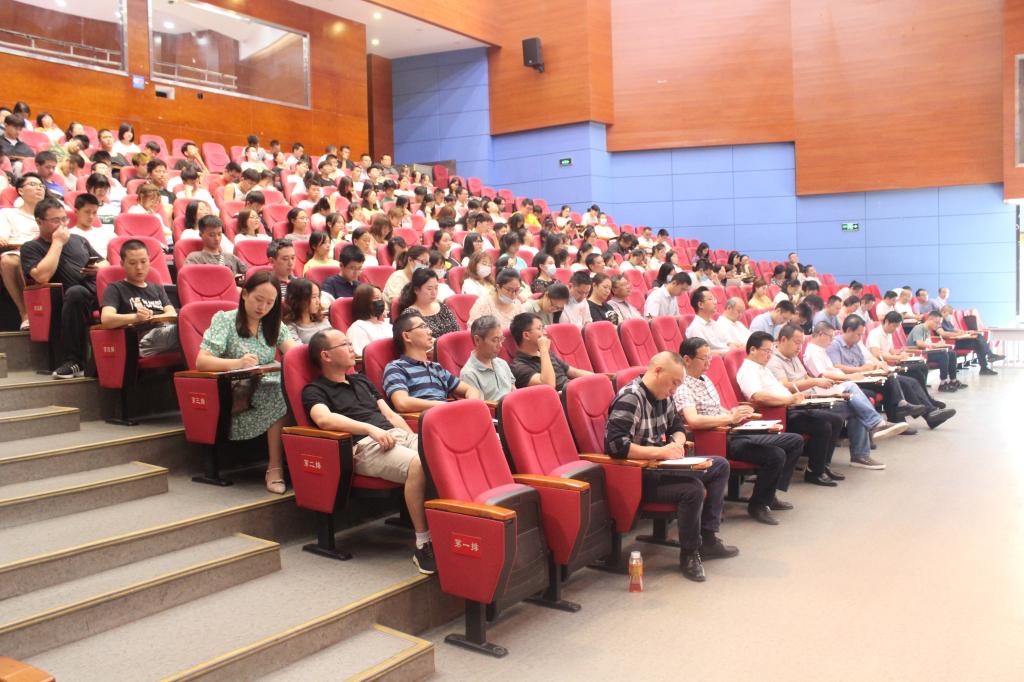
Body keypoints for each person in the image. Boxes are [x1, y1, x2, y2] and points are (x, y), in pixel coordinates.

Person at [304, 328, 435, 572]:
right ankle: (423, 543)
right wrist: (369, 429)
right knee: (419, 463)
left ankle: (449, 527)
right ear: (326, 355)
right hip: (364, 446)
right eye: (344, 344)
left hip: (395, 436)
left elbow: (390, 415)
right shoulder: (315, 390)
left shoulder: (362, 380)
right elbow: (324, 419)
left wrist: (412, 437)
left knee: (439, 454)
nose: (351, 348)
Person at [606, 351, 737, 581]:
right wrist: (660, 452)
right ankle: (689, 553)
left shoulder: (663, 395)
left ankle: (708, 539)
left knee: (719, 465)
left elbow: (677, 426)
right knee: (693, 489)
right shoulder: (630, 398)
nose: (675, 389)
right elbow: (616, 446)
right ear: (658, 371)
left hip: (662, 465)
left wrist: (677, 443)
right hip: (640, 475)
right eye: (674, 382)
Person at [676, 337, 803, 525]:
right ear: (687, 359)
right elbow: (693, 420)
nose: (709, 364)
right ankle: (759, 504)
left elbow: (715, 408)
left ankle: (769, 494)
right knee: (775, 455)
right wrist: (729, 419)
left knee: (794, 441)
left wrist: (733, 412)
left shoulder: (705, 379)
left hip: (733, 429)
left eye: (710, 358)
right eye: (704, 359)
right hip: (718, 438)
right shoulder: (682, 386)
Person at [196, 270, 295, 493]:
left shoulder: (274, 325)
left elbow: (294, 355)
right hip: (237, 393)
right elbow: (202, 361)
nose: (263, 307)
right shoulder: (225, 320)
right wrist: (238, 363)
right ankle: (275, 468)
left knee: (296, 389)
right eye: (259, 299)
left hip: (267, 384)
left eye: (269, 302)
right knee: (279, 392)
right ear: (244, 294)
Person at [771, 324, 908, 471]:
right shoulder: (774, 360)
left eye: (801, 343)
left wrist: (827, 389)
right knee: (856, 407)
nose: (799, 347)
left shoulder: (793, 357)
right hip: (800, 404)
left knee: (855, 402)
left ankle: (867, 440)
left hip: (814, 396)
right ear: (783, 339)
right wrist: (815, 382)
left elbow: (806, 377)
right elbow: (785, 386)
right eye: (797, 343)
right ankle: (862, 448)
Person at [736, 332, 844, 486]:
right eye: (766, 351)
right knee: (822, 426)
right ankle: (815, 472)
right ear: (753, 349)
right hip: (777, 413)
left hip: (790, 407)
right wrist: (788, 400)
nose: (769, 355)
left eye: (771, 351)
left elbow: (779, 389)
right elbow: (757, 397)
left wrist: (797, 398)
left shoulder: (762, 368)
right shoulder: (748, 371)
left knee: (836, 419)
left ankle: (823, 466)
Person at [20, 198, 108, 378]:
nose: (62, 224)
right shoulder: (31, 247)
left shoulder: (79, 239)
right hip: (67, 299)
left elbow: (105, 263)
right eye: (55, 220)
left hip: (96, 291)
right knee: (76, 293)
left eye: (64, 219)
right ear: (39, 222)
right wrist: (57, 243)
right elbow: (42, 276)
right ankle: (74, 361)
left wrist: (99, 268)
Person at [383, 312, 480, 411]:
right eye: (422, 327)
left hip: (447, 413)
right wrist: (444, 406)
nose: (430, 331)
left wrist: (470, 405)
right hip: (425, 418)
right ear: (407, 336)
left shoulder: (436, 368)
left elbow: (471, 390)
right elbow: (402, 403)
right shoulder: (396, 368)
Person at [99, 239, 179, 356]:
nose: (139, 267)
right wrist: (136, 317)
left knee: (194, 328)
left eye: (143, 261)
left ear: (149, 261)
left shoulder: (157, 288)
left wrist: (152, 317)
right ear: (122, 264)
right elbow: (106, 319)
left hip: (166, 330)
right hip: (144, 339)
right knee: (188, 330)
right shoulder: (115, 288)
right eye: (132, 263)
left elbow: (171, 312)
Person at [1, 173, 45, 329]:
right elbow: (4, 238)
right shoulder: (8, 214)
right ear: (20, 191)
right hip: (19, 252)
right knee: (8, 261)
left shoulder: (50, 214)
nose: (39, 188)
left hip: (46, 253)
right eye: (33, 185)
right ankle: (25, 313)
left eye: (41, 186)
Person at [509, 312, 592, 391]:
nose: (545, 332)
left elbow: (573, 371)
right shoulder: (518, 366)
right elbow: (549, 385)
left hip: (572, 390)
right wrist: (544, 350)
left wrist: (597, 378)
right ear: (526, 335)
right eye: (539, 328)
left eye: (543, 328)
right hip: (558, 397)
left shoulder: (546, 353)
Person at [460, 315, 516, 401]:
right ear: (477, 340)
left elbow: (513, 389)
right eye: (495, 340)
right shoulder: (469, 374)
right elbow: (479, 406)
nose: (500, 345)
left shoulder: (502, 363)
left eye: (501, 339)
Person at [936, 304, 1002, 375]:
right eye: (950, 314)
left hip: (958, 339)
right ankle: (986, 363)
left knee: (978, 336)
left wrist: (965, 332)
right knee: (978, 343)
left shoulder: (946, 321)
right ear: (943, 312)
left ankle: (987, 360)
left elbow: (953, 329)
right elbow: (943, 334)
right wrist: (957, 334)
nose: (951, 316)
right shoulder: (937, 321)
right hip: (952, 342)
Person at [397, 268, 460, 339]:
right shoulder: (410, 314)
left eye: (436, 288)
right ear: (416, 290)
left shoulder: (442, 306)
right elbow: (419, 341)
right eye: (429, 289)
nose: (434, 293)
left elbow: (457, 330)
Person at [907, 311, 962, 391]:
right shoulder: (919, 328)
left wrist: (938, 345)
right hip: (918, 354)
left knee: (951, 353)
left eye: (939, 323)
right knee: (943, 354)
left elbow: (928, 345)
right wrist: (935, 345)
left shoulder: (927, 330)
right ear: (930, 320)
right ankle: (943, 383)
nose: (938, 325)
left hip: (925, 352)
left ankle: (953, 380)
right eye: (937, 323)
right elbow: (920, 344)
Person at [183, 216, 248, 277]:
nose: (217, 238)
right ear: (201, 234)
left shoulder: (231, 258)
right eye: (211, 235)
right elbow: (187, 279)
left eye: (219, 234)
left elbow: (250, 274)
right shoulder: (194, 259)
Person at [347, 284, 392, 354]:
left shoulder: (388, 326)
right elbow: (362, 355)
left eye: (381, 298)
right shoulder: (358, 327)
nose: (380, 302)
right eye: (376, 298)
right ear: (364, 302)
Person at [282, 278, 331, 343]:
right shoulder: (289, 327)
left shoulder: (322, 319)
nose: (318, 302)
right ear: (299, 299)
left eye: (318, 296)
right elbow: (297, 348)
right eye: (313, 297)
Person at [383, 244, 428, 309]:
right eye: (422, 262)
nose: (424, 266)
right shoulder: (397, 277)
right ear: (410, 260)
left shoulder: (419, 278)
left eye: (426, 264)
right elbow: (396, 304)